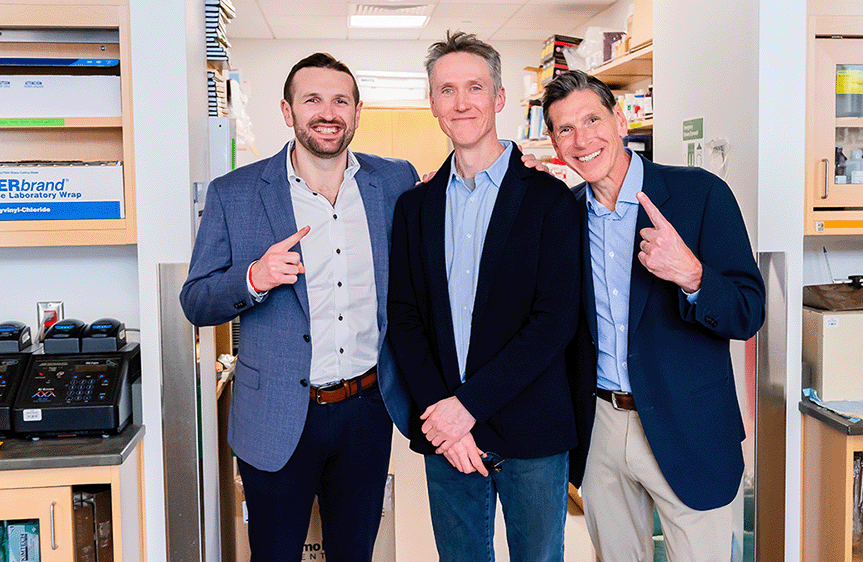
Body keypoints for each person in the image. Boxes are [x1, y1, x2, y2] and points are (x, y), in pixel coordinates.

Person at [179, 53, 419, 562]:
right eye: (312, 100)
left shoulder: (395, 182)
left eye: (340, 101)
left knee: (354, 553)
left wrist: (517, 163)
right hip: (275, 418)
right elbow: (195, 300)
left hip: (366, 412)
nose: (326, 112)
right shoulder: (235, 194)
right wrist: (253, 278)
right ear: (287, 111)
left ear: (357, 111)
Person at [542, 70, 766, 562]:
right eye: (565, 129)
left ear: (620, 121)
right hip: (600, 425)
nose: (582, 139)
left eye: (592, 120)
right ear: (556, 144)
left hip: (688, 426)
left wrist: (692, 275)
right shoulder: (564, 215)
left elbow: (748, 312)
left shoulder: (699, 194)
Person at [387, 31, 582, 562]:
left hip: (531, 428)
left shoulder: (550, 200)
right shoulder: (414, 207)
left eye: (475, 87)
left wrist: (463, 409)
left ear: (499, 98)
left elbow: (554, 321)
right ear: (432, 104)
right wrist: (442, 419)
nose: (461, 101)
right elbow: (404, 320)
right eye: (446, 90)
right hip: (447, 437)